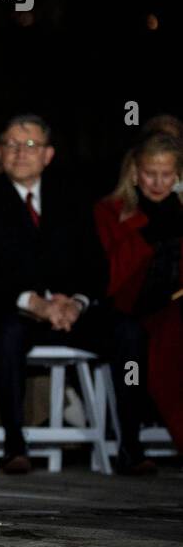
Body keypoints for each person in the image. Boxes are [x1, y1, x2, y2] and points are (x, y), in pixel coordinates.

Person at [0, 114, 151, 474]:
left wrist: (75, 302)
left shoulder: (71, 200)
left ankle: (131, 448)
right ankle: (15, 446)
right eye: (11, 144)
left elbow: (95, 266)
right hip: (6, 312)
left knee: (129, 331)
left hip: (68, 313)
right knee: (7, 333)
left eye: (30, 145)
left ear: (48, 155)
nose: (20, 153)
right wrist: (35, 302)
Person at [94, 131, 183, 459]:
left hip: (170, 310)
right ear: (134, 172)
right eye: (150, 174)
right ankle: (131, 443)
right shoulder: (110, 211)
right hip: (123, 310)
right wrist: (147, 233)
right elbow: (109, 278)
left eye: (166, 175)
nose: (158, 183)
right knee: (137, 339)